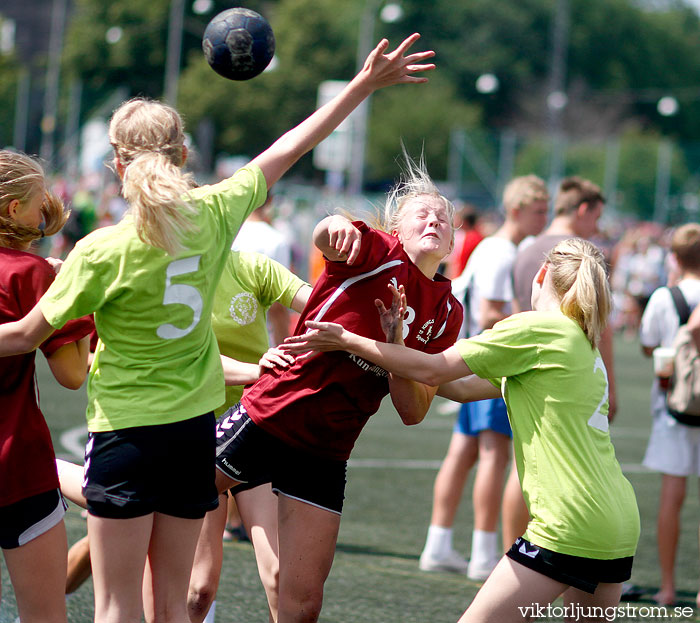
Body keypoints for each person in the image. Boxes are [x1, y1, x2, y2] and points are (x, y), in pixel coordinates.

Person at [0, 33, 435, 623]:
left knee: (117, 605)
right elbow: (291, 146)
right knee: (174, 608)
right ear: (182, 156)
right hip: (189, 436)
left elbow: (25, 336)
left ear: (118, 163)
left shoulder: (99, 250)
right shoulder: (216, 214)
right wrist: (362, 85)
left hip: (125, 433)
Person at [283, 237, 640, 623]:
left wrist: (347, 339)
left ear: (540, 276)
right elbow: (458, 387)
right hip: (618, 521)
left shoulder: (537, 328)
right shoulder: (580, 343)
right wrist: (395, 347)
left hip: (571, 519)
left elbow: (435, 370)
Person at [213, 151, 463, 623]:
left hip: (327, 450)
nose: (434, 219)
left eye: (443, 217)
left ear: (452, 240)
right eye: (421, 213)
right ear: (397, 229)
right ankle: (78, 484)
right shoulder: (378, 254)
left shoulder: (448, 312)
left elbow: (412, 411)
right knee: (155, 498)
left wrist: (395, 347)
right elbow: (328, 236)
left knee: (303, 603)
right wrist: (334, 226)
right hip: (272, 414)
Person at [57, 249, 312, 623]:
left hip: (250, 430)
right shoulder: (155, 275)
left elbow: (320, 300)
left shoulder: (250, 266)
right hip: (187, 433)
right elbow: (187, 360)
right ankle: (42, 601)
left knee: (279, 576)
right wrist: (256, 369)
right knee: (193, 590)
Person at [419, 175, 548, 579]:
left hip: (474, 353)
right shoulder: (501, 251)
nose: (544, 219)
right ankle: (482, 552)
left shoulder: (502, 248)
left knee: (464, 453)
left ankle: (438, 544)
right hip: (489, 357)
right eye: (538, 211)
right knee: (494, 454)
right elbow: (491, 312)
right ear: (516, 210)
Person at [0, 149, 93, 623]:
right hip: (15, 466)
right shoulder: (30, 273)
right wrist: (79, 299)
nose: (45, 209)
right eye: (39, 201)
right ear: (15, 210)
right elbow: (73, 375)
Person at [507, 175, 614, 549]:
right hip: (569, 372)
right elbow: (601, 326)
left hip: (521, 364)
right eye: (596, 216)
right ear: (583, 210)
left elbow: (517, 313)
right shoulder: (583, 252)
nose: (598, 227)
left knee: (519, 469)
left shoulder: (525, 248)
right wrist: (609, 380)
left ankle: (510, 552)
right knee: (579, 465)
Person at [638, 223, 700, 607]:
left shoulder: (665, 295)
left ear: (674, 258)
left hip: (672, 406)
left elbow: (648, 345)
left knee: (671, 497)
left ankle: (667, 586)